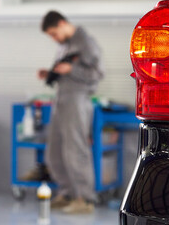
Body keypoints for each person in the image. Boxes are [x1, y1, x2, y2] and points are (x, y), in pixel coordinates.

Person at [37, 11, 104, 214]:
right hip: (62, 100)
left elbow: (97, 75)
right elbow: (65, 70)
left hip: (77, 100)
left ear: (62, 24)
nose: (53, 38)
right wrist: (50, 74)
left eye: (53, 33)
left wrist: (71, 70)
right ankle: (67, 193)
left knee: (76, 150)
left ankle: (85, 199)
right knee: (54, 151)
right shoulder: (64, 45)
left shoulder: (85, 43)